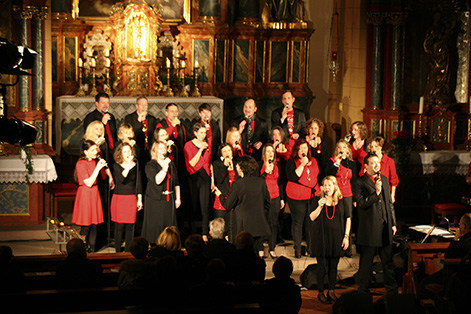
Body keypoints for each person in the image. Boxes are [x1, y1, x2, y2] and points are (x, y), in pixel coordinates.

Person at [353, 153, 398, 294]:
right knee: (366, 262)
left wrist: (393, 223)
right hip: (370, 228)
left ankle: (392, 290)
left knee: (388, 261)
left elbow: (389, 203)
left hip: (384, 226)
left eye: (378, 162)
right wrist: (376, 193)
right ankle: (363, 289)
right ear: (366, 166)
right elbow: (361, 203)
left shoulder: (383, 179)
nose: (377, 165)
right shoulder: (359, 182)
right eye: (373, 163)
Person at [215, 155, 271, 257]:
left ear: (241, 168)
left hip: (243, 226)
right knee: (255, 254)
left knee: (243, 255)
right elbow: (268, 203)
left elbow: (228, 205)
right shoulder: (261, 182)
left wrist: (220, 195)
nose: (236, 167)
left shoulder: (238, 184)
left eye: (237, 166)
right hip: (258, 225)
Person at [309, 176, 351, 304]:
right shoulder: (317, 200)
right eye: (325, 185)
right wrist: (320, 206)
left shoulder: (342, 200)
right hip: (321, 237)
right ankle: (321, 292)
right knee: (322, 266)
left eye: (330, 185)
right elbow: (311, 217)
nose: (327, 188)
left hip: (336, 237)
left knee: (334, 266)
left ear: (335, 186)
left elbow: (348, 218)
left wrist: (346, 236)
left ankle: (331, 291)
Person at [418, 213, 471, 300]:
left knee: (423, 285)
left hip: (457, 279)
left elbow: (448, 259)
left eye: (459, 225)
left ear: (464, 226)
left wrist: (456, 239)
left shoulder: (460, 243)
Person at [72, 140, 109, 252]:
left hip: (94, 193)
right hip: (85, 194)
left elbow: (100, 178)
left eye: (95, 149)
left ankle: (91, 249)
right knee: (86, 225)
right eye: (92, 150)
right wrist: (98, 168)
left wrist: (102, 167)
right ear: (85, 152)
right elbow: (88, 182)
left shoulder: (93, 162)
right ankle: (81, 249)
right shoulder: (80, 164)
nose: (95, 152)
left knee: (94, 224)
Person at [141, 141, 181, 244]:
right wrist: (164, 167)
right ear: (155, 151)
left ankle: (169, 244)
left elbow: (176, 182)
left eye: (164, 148)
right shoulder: (150, 165)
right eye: (160, 148)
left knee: (169, 225)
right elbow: (157, 180)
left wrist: (178, 198)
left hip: (169, 199)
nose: (163, 150)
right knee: (156, 225)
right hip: (155, 200)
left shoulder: (171, 164)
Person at [285, 138, 319, 258]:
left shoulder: (313, 160)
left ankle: (311, 248)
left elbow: (316, 175)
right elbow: (293, 177)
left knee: (310, 223)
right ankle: (298, 249)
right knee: (298, 223)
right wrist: (303, 164)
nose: (303, 150)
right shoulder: (291, 162)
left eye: (305, 148)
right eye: (300, 149)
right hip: (297, 197)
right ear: (297, 150)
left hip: (311, 196)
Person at [111, 143, 143, 252]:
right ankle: (117, 251)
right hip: (119, 197)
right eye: (125, 152)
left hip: (131, 198)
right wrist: (129, 165)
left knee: (130, 226)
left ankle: (128, 251)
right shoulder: (116, 165)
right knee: (119, 226)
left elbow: (138, 184)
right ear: (120, 153)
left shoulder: (136, 165)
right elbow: (122, 179)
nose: (128, 154)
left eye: (129, 151)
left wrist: (140, 199)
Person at [184, 122, 213, 241]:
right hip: (193, 176)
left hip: (205, 177)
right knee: (193, 205)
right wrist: (200, 149)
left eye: (204, 133)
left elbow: (209, 163)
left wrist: (212, 180)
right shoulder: (188, 145)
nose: (203, 135)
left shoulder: (207, 145)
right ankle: (192, 232)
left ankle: (204, 233)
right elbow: (192, 162)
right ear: (195, 133)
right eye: (201, 133)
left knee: (204, 206)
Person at [325, 139, 357, 242]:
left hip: (348, 194)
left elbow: (355, 182)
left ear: (348, 150)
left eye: (343, 147)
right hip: (335, 194)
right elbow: (328, 176)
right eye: (339, 147)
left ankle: (348, 246)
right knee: (336, 218)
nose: (341, 150)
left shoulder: (352, 164)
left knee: (348, 218)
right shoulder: (332, 161)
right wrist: (336, 163)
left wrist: (355, 198)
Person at [259, 144, 284, 259]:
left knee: (273, 223)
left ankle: (272, 247)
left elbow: (280, 182)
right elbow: (257, 181)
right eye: (268, 151)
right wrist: (265, 172)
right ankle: (260, 248)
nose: (270, 153)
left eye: (272, 151)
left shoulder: (277, 165)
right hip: (263, 197)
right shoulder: (259, 165)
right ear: (264, 153)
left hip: (275, 196)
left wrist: (282, 199)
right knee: (262, 222)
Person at [212, 143, 239, 240]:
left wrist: (232, 168)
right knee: (220, 225)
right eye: (224, 151)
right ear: (221, 153)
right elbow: (219, 180)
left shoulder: (236, 163)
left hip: (233, 198)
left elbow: (239, 179)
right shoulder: (217, 164)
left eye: (229, 150)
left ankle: (231, 245)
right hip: (221, 197)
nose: (227, 153)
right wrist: (224, 166)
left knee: (231, 226)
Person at [363, 136, 399, 203]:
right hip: (371, 192)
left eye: (376, 146)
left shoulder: (389, 161)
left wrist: (392, 195)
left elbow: (394, 179)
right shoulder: (367, 160)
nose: (374, 149)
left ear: (381, 147)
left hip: (385, 192)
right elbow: (361, 177)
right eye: (371, 147)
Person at [83, 92, 117, 163]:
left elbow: (114, 134)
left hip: (111, 151)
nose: (106, 105)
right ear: (97, 103)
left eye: (107, 103)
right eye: (103, 103)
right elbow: (89, 136)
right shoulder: (90, 117)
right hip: (99, 151)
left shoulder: (111, 116)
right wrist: (103, 123)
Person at [124, 96, 158, 165]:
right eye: (142, 105)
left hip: (149, 151)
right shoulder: (129, 118)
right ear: (137, 106)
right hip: (136, 150)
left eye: (146, 105)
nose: (144, 107)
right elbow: (131, 134)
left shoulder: (152, 119)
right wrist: (139, 121)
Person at [306, 118, 328, 183]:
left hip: (319, 171)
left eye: (315, 128)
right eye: (311, 128)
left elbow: (324, 160)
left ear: (319, 130)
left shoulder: (323, 142)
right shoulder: (303, 141)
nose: (313, 130)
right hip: (307, 170)